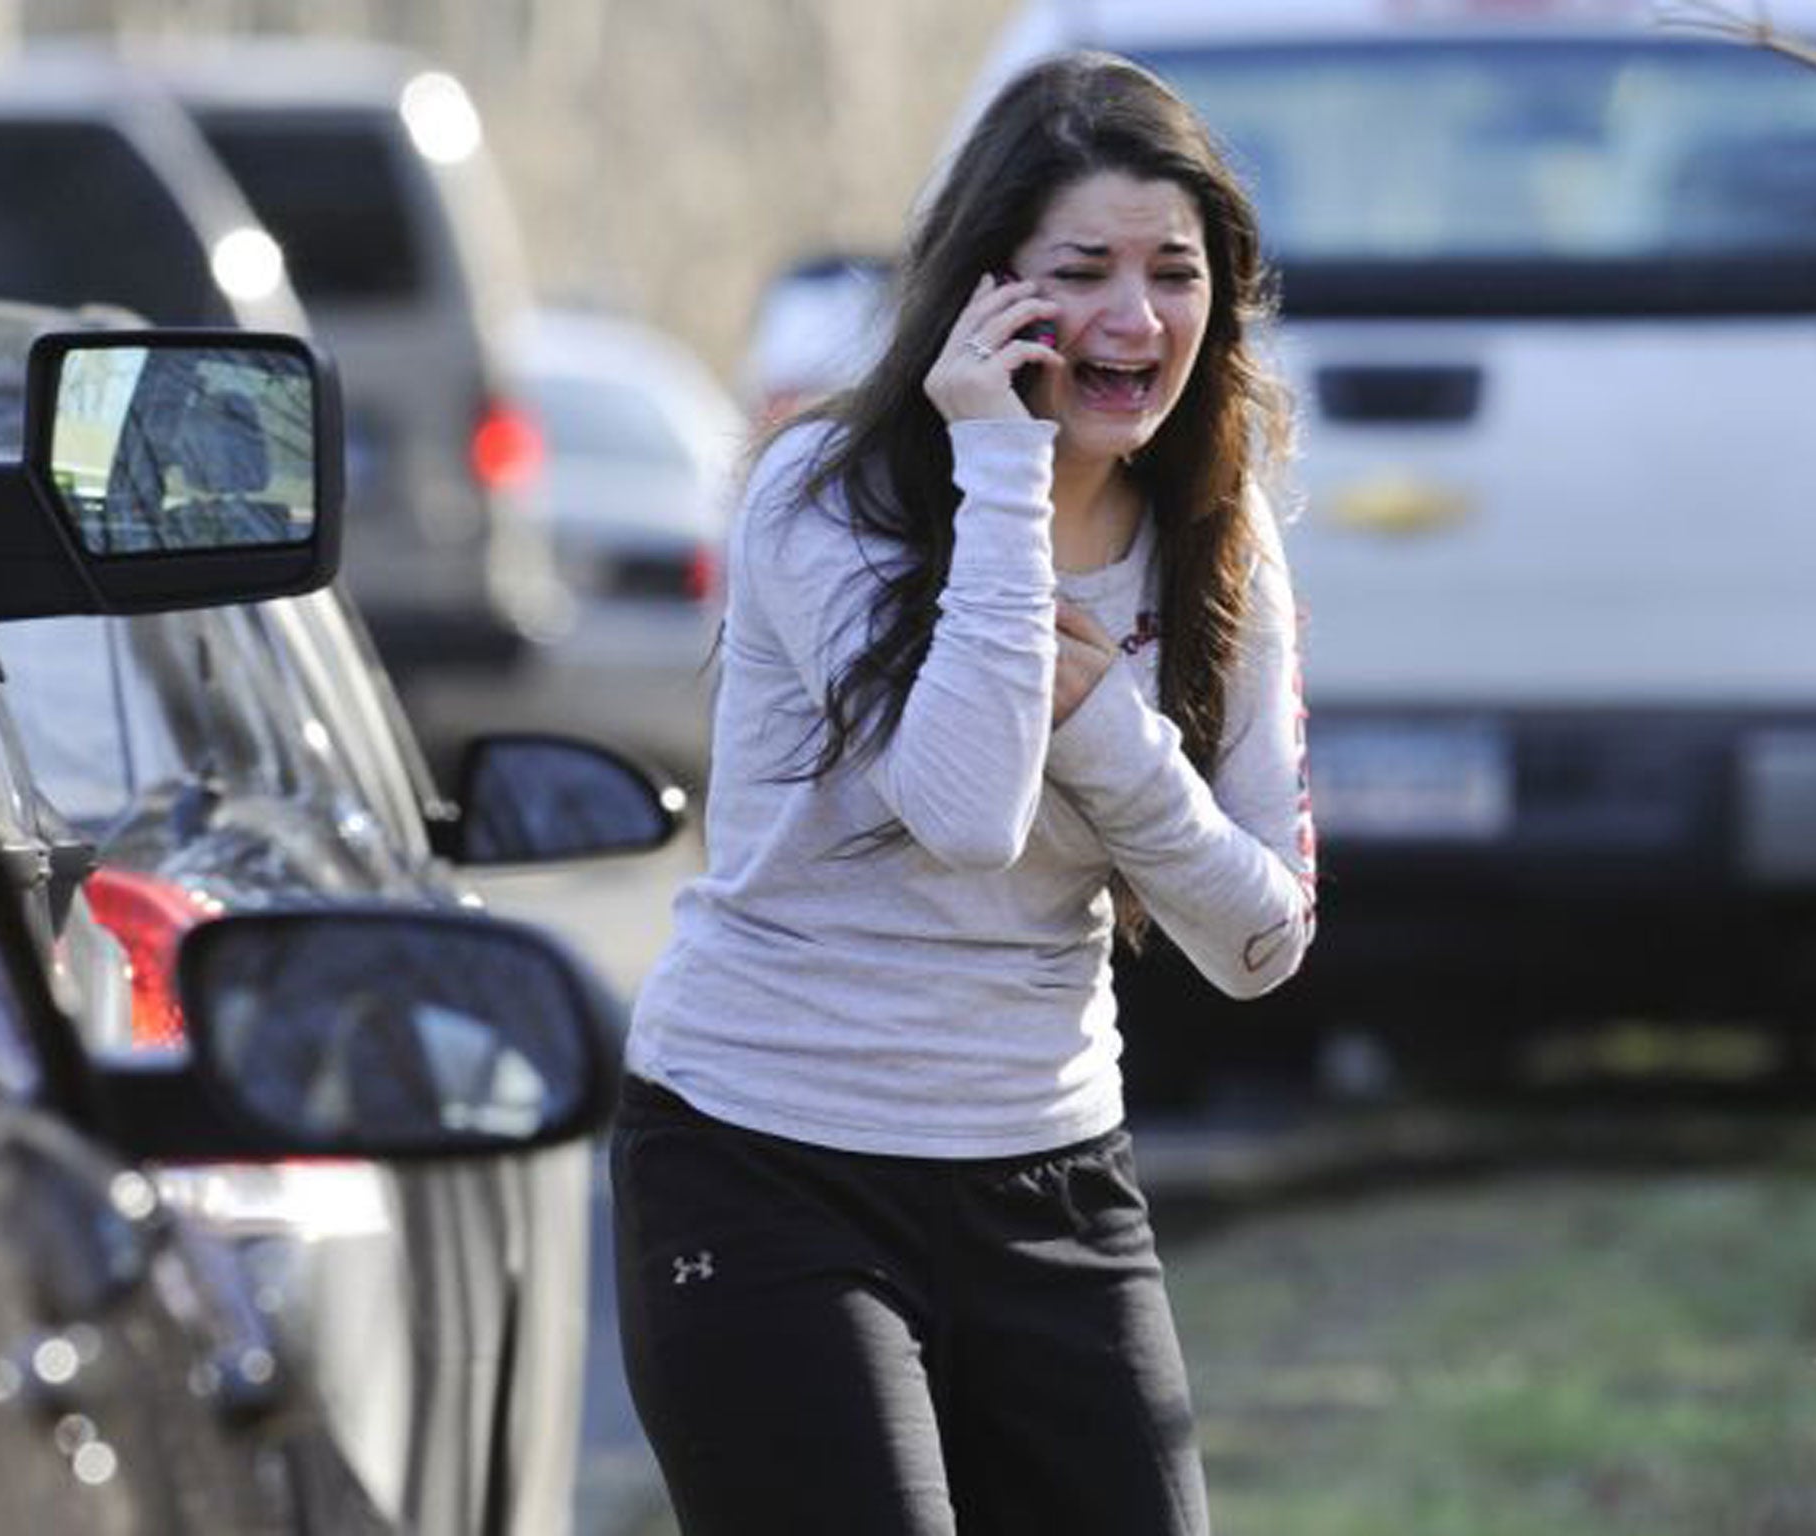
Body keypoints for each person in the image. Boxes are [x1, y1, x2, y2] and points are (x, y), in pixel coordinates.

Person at [612, 50, 1317, 1535]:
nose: (1135, 319)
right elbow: (968, 811)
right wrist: (1005, 467)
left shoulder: (1218, 533)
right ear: (987, 296)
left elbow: (1262, 943)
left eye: (1175, 273)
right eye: (1084, 271)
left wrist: (1115, 733)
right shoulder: (823, 494)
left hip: (1049, 1175)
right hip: (763, 1164)